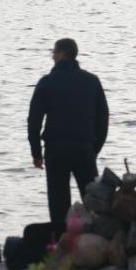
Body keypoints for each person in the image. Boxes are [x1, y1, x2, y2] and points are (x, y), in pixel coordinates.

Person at [28, 38, 109, 228]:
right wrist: (93, 149)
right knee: (92, 201)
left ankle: (59, 244)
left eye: (54, 52)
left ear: (61, 54)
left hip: (56, 151)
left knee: (58, 204)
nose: (52, 56)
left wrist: (36, 153)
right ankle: (97, 240)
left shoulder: (47, 83)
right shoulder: (91, 81)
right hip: (84, 148)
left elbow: (34, 121)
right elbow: (103, 120)